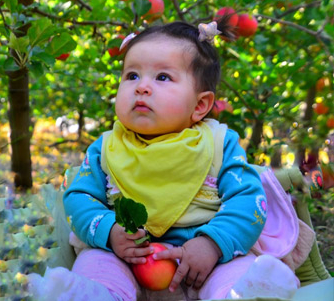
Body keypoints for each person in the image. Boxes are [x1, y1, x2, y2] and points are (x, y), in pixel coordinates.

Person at [28, 19, 305, 301]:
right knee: (94, 264)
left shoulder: (219, 144)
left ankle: (244, 293)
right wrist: (110, 232)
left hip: (205, 263)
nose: (142, 87)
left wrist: (212, 244)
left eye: (162, 77)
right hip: (125, 258)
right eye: (132, 75)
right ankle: (88, 294)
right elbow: (79, 197)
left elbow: (248, 200)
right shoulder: (106, 148)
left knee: (238, 270)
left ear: (199, 105)